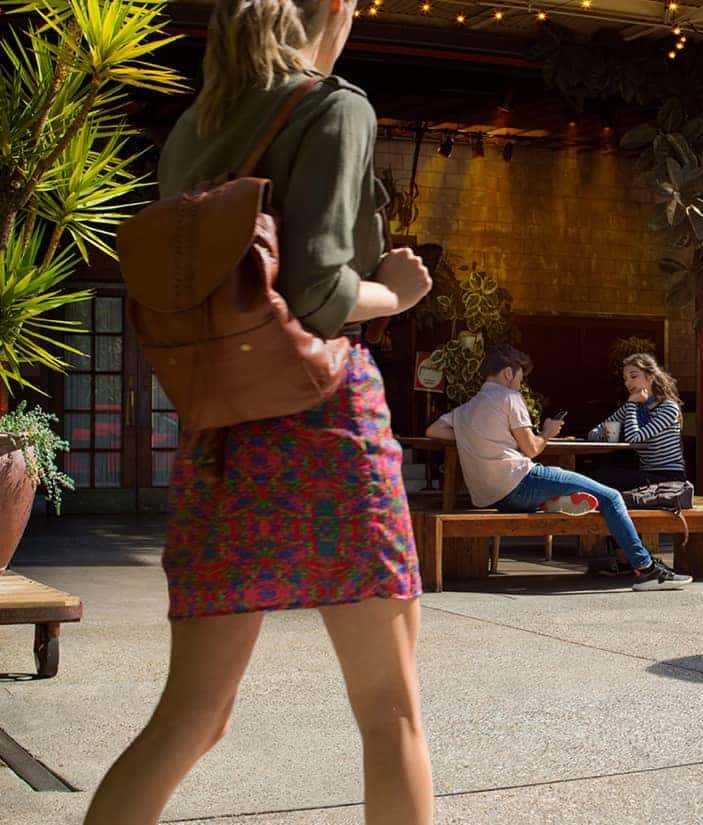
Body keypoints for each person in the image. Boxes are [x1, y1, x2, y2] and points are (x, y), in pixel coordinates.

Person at [87, 0, 437, 821]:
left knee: (192, 716)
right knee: (389, 714)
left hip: (223, 430)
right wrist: (397, 289)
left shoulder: (193, 130)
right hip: (325, 421)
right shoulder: (334, 104)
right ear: (340, 11)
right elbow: (316, 292)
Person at [425, 345, 692, 589]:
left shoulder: (468, 408)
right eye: (520, 377)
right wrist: (548, 432)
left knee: (594, 486)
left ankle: (557, 501)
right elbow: (532, 449)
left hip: (492, 496)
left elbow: (434, 429)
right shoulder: (509, 398)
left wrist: (481, 436)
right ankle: (646, 569)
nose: (521, 383)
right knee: (609, 496)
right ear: (508, 373)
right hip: (521, 480)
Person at [586, 352, 686, 490]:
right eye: (625, 379)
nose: (628, 383)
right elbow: (593, 433)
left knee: (601, 478)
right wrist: (607, 434)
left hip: (669, 478)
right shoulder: (631, 407)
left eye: (633, 376)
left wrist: (632, 404)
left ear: (650, 377)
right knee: (597, 474)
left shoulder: (668, 407)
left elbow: (634, 439)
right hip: (646, 474)